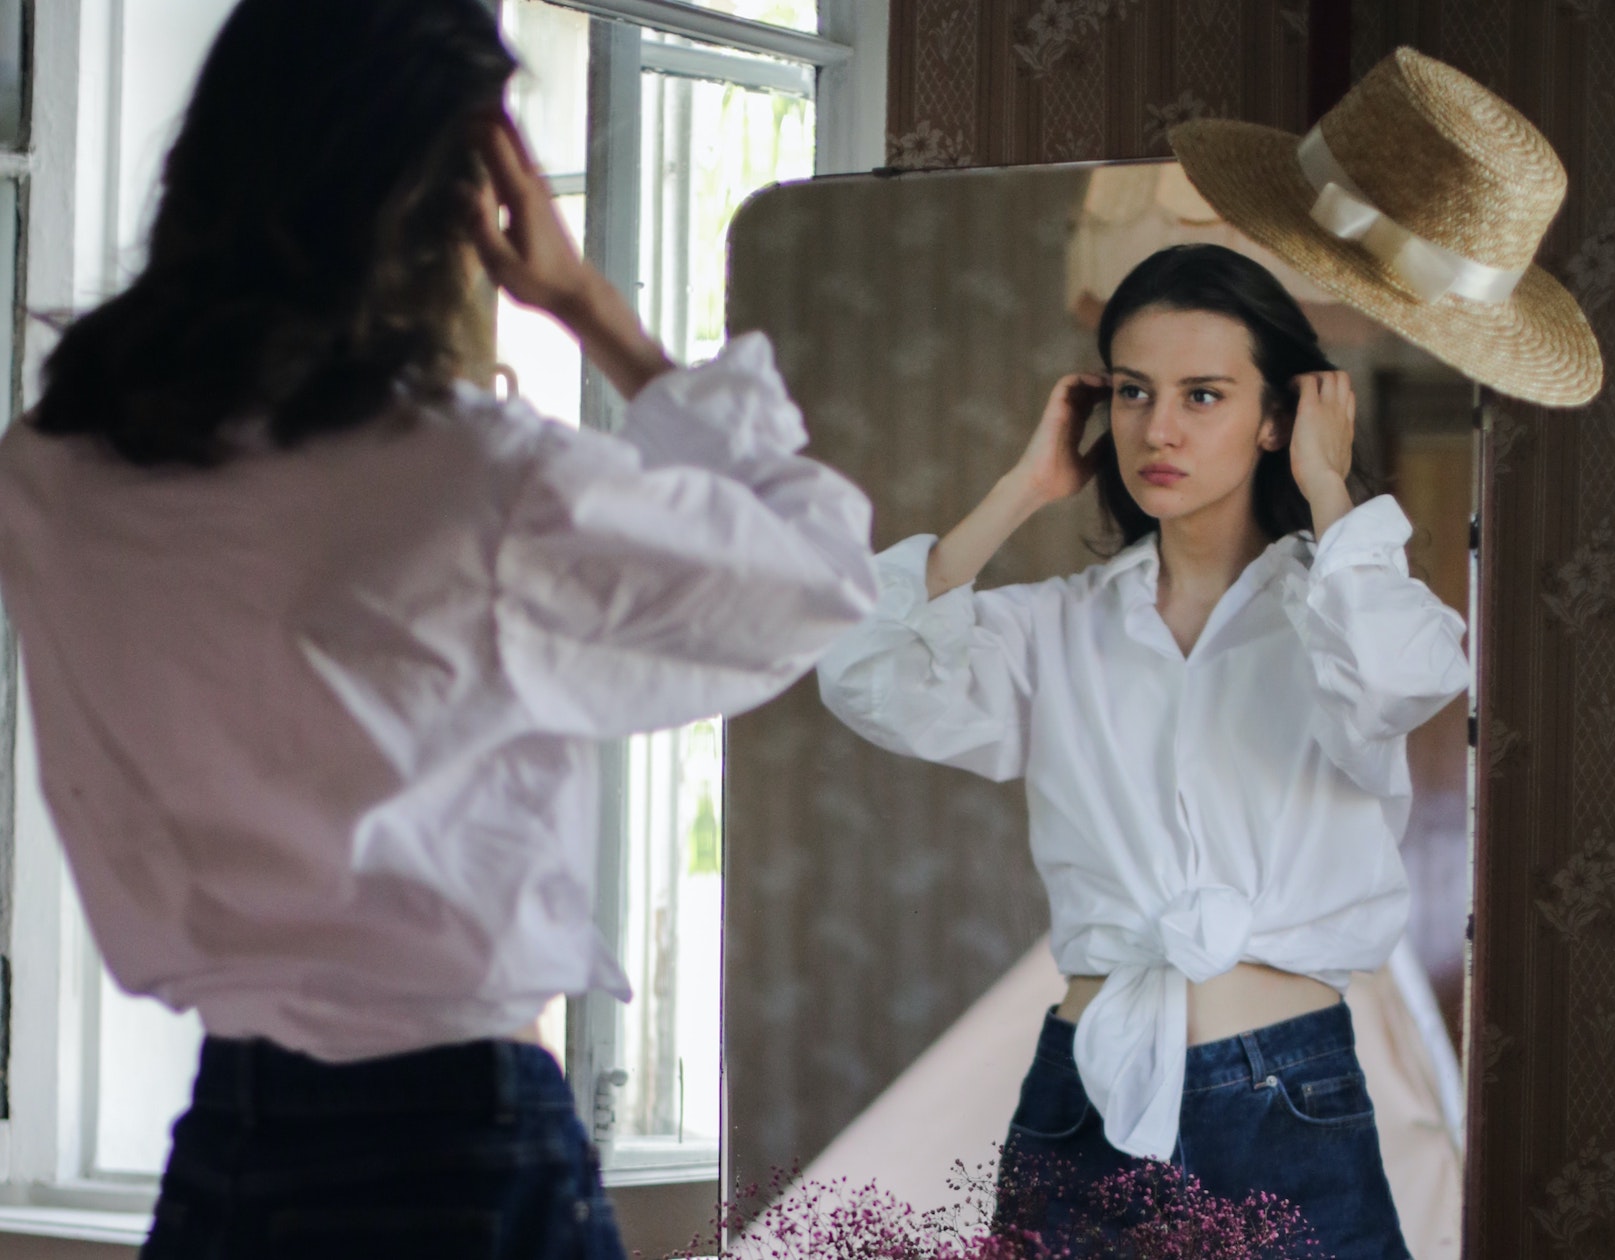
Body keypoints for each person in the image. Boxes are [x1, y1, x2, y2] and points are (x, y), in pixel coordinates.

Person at [0, 1, 875, 1255]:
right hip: (459, 1137)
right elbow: (825, 578)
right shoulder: (478, 483)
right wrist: (593, 311)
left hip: (232, 1142)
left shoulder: (50, 470)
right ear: (466, 192)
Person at [816, 240, 1470, 1259]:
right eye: (1132, 391)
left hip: (1287, 1096)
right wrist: (1024, 488)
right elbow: (866, 674)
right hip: (1084, 1098)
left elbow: (1403, 674)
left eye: (1203, 395)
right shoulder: (1055, 626)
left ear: (1276, 417)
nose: (1157, 429)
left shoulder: (1342, 616)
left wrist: (1330, 488)